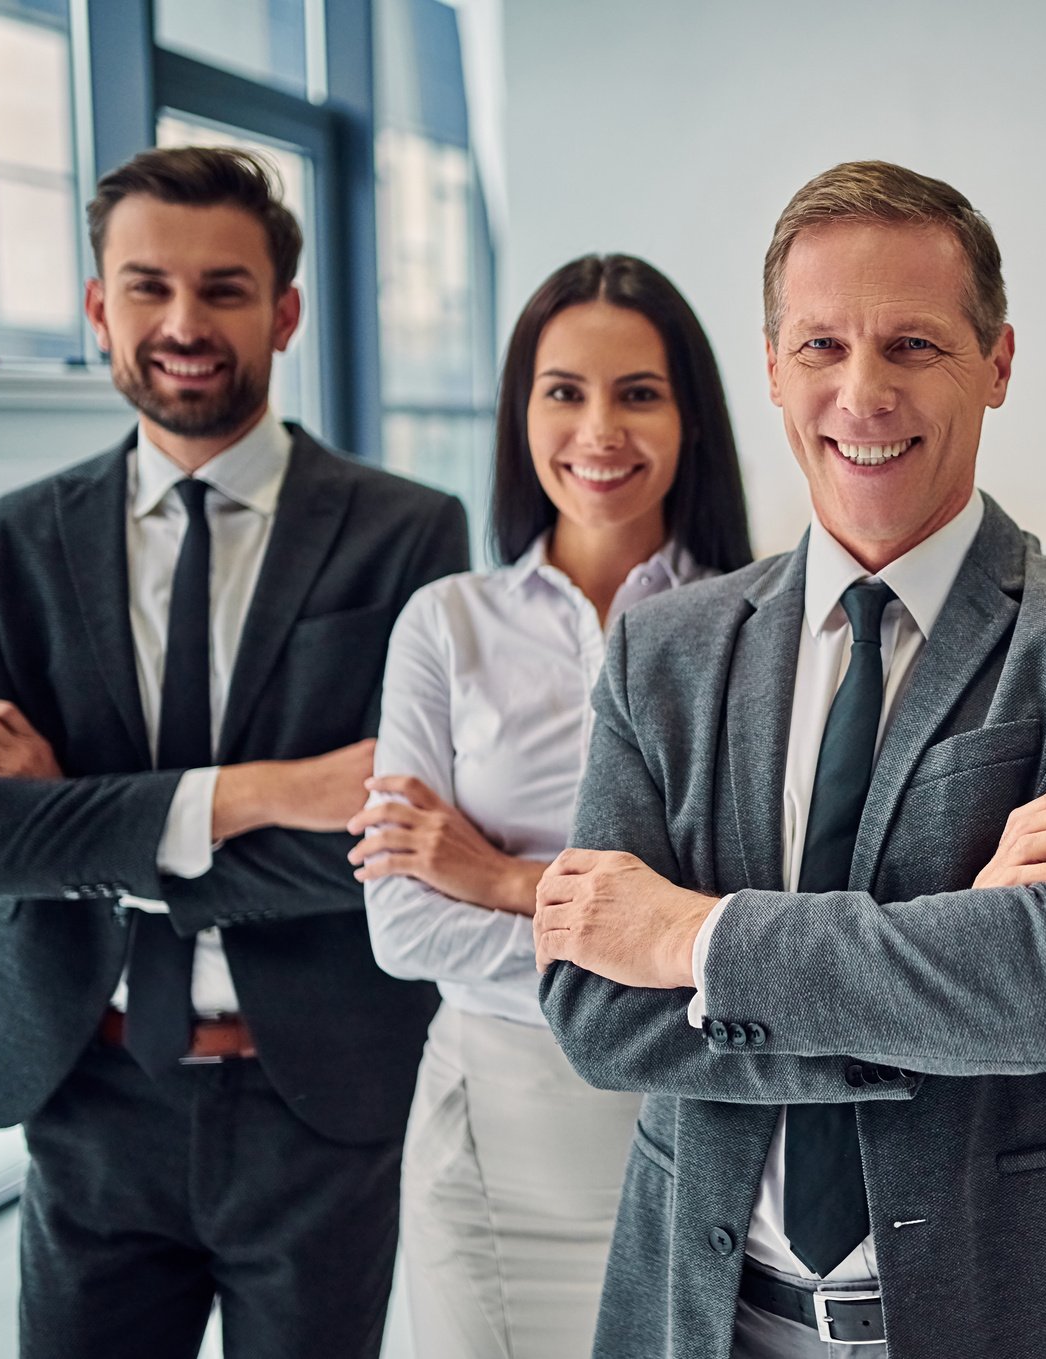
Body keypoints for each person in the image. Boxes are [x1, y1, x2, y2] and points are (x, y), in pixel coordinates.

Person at [532, 160, 1046, 1358]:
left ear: (996, 364)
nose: (863, 392)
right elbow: (592, 1009)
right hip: (711, 1320)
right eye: (821, 347)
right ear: (771, 367)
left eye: (912, 347)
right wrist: (948, 961)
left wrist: (693, 938)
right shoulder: (664, 650)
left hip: (1013, 1319)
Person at [0, 147, 469, 1359]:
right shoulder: (13, 543)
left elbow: (388, 850)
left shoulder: (407, 535)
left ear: (285, 311)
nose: (184, 323)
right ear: (100, 307)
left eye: (223, 289)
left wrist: (72, 819)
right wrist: (271, 794)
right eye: (148, 287)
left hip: (315, 1101)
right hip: (88, 1092)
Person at [354, 253, 752, 1358]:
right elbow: (401, 925)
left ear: (690, 420)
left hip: (693, 1113)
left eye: (638, 394)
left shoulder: (755, 621)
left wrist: (495, 878)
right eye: (564, 392)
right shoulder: (447, 624)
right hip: (490, 1129)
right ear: (521, 412)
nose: (599, 432)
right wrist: (659, 928)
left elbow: (768, 908)